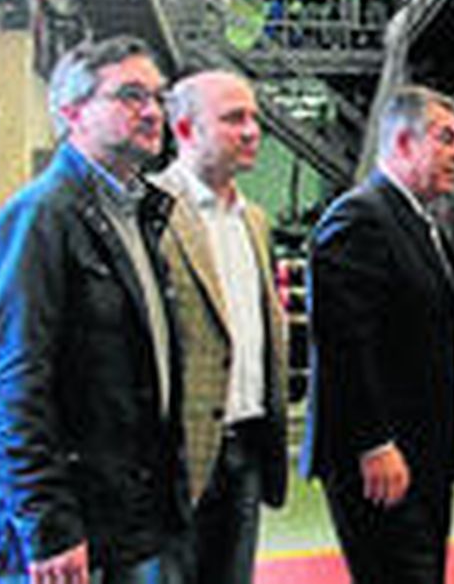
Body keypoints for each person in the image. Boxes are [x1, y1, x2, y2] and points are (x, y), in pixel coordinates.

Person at [0, 35, 191, 584]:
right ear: (72, 113)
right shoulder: (39, 220)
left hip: (125, 519)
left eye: (159, 97)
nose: (152, 112)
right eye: (131, 96)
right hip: (65, 534)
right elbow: (6, 389)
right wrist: (47, 524)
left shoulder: (137, 216)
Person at [300, 85, 454, 584]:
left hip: (422, 451)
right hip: (381, 459)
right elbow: (343, 345)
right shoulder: (360, 219)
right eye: (446, 139)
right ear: (402, 143)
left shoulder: (419, 222)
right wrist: (374, 442)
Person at [153, 71, 289, 584]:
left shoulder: (255, 221)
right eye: (234, 118)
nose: (252, 131)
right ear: (186, 129)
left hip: (246, 447)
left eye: (254, 118)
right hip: (177, 458)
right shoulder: (149, 211)